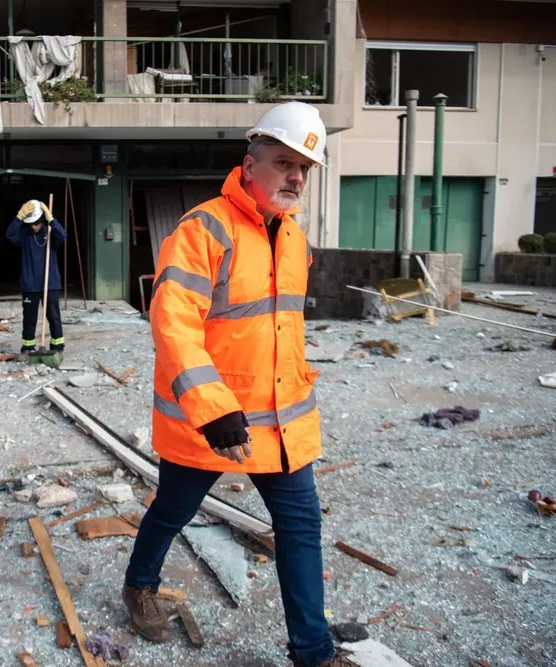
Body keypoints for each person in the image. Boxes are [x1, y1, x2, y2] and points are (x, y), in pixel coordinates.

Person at [123, 102, 357, 667]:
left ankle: (313, 653)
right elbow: (173, 321)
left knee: (301, 526)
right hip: (212, 423)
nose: (295, 177)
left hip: (279, 424)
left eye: (305, 168)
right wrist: (212, 407)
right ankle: (139, 585)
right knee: (174, 510)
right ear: (249, 165)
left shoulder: (294, 240)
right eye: (284, 163)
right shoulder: (205, 228)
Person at [6, 199, 68, 355]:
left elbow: (63, 235)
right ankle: (27, 348)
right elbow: (10, 235)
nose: (33, 226)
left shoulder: (50, 232)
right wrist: (18, 217)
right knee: (29, 318)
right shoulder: (25, 234)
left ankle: (57, 347)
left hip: (50, 283)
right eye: (30, 224)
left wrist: (52, 220)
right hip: (30, 283)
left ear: (42, 220)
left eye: (36, 223)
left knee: (54, 316)